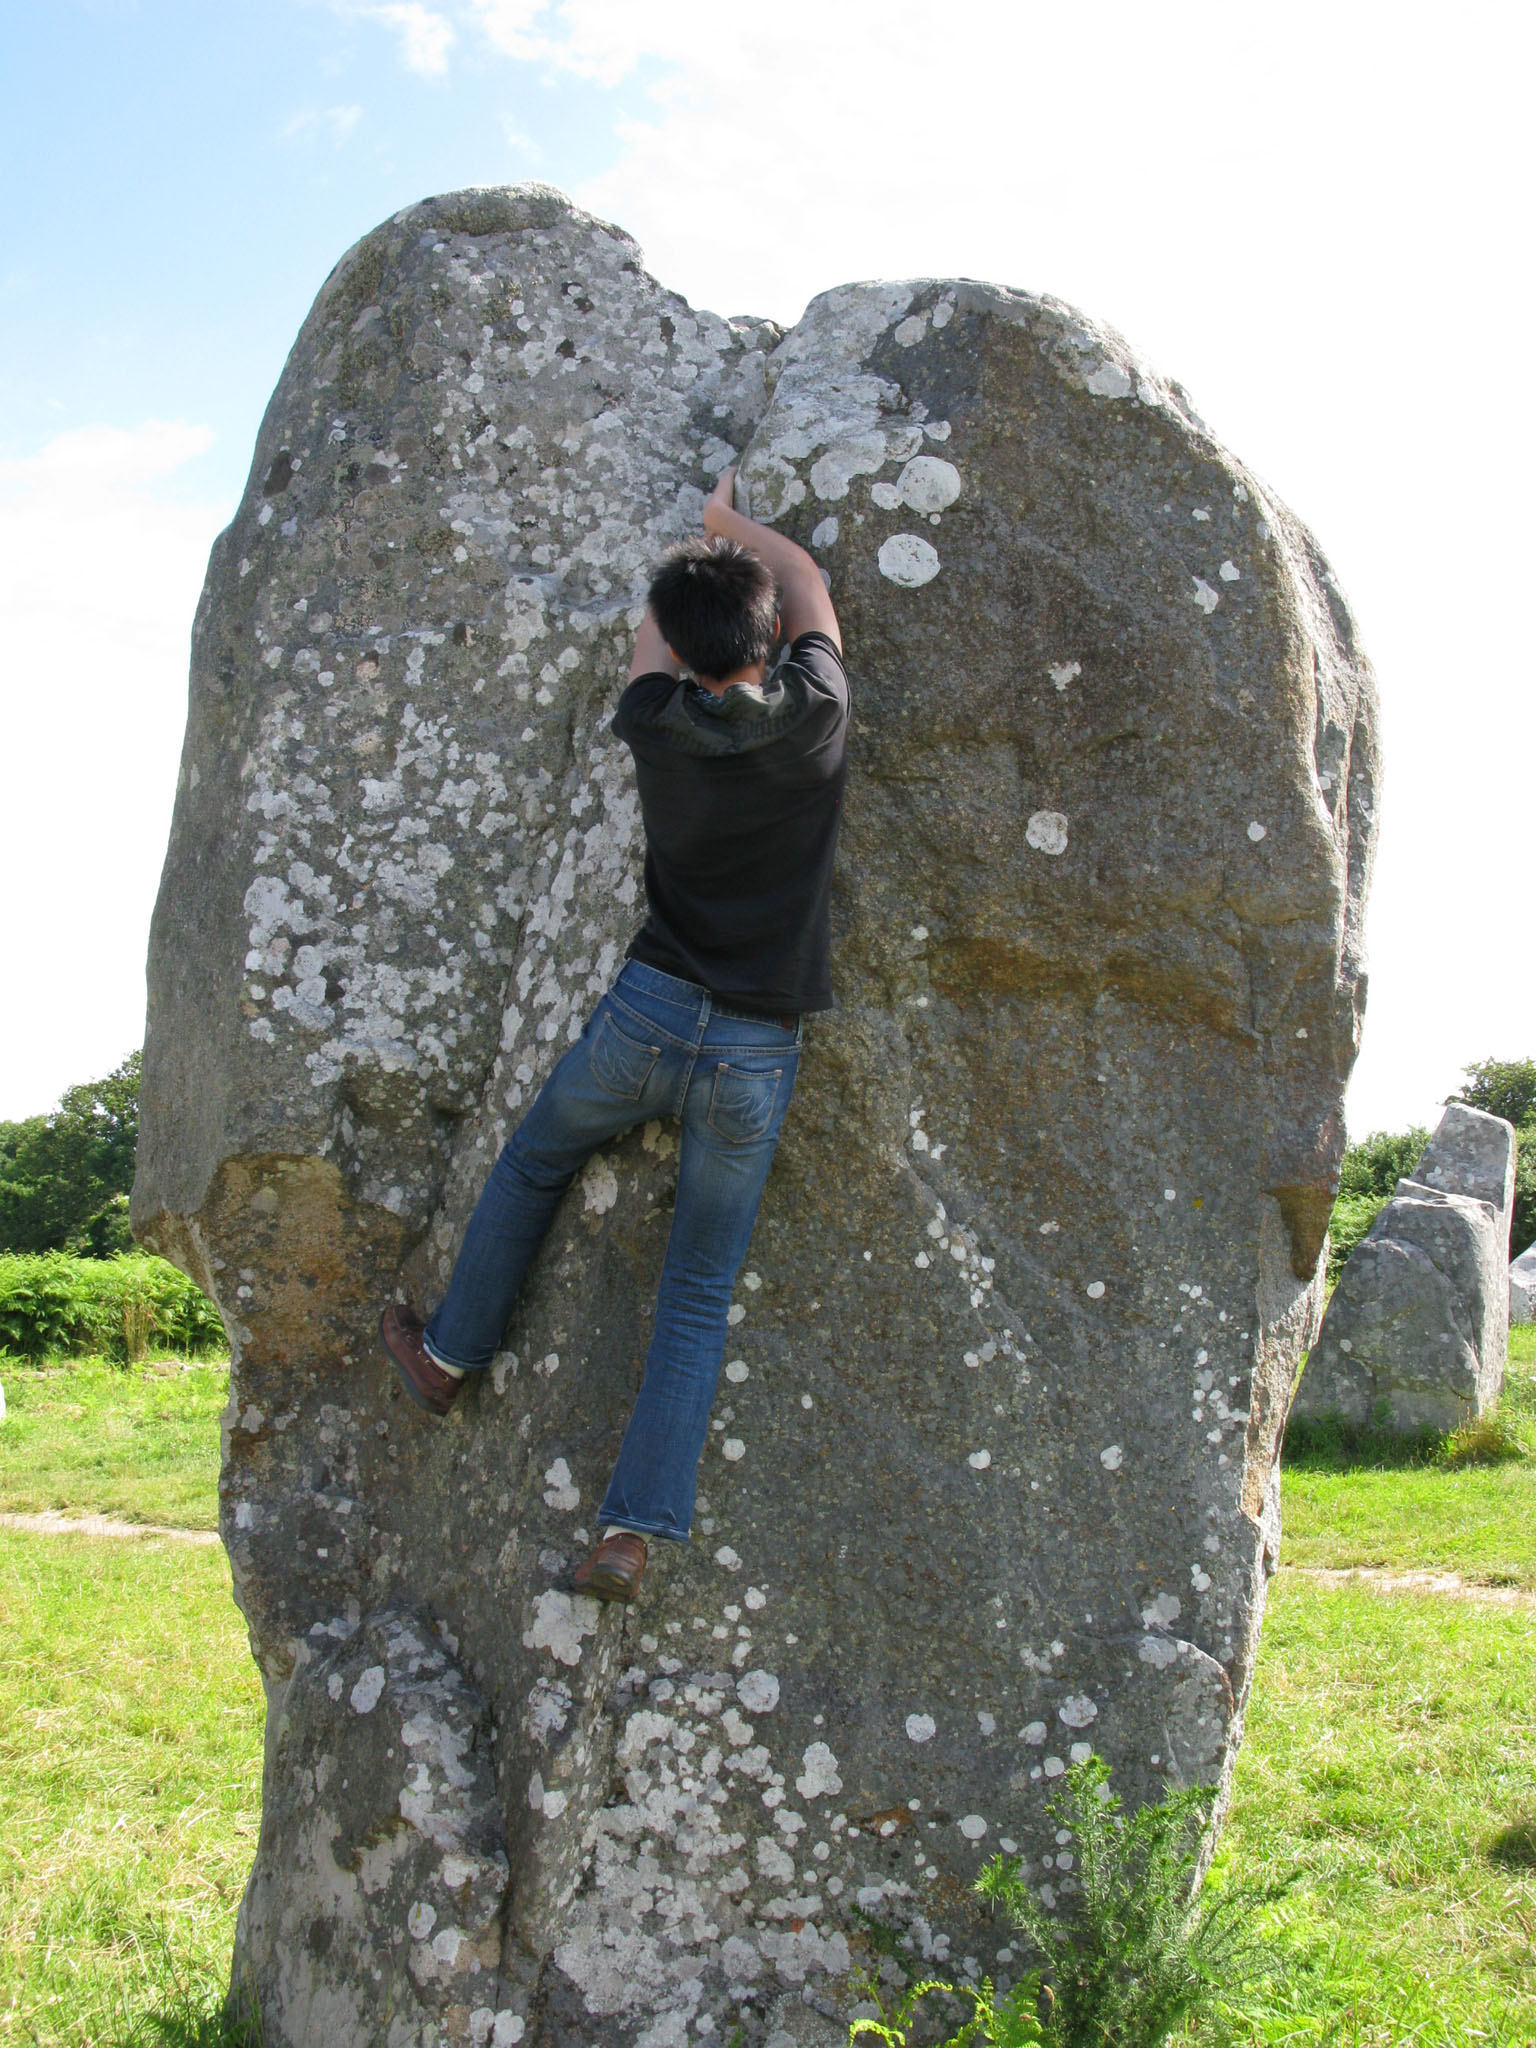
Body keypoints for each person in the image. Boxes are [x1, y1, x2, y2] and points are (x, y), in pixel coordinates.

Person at [380, 467, 848, 1602]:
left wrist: (687, 559)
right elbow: (806, 580)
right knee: (696, 1287)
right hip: (755, 1047)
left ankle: (447, 1357)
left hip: (648, 1013)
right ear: (771, 639)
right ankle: (629, 1536)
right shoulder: (819, 714)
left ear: (679, 654)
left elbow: (657, 636)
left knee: (535, 1160)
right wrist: (732, 525)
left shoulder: (653, 720)